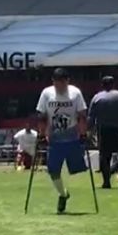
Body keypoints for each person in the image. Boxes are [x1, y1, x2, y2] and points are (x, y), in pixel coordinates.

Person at [36, 68, 89, 214]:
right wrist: (41, 134)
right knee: (53, 170)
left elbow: (82, 114)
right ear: (53, 82)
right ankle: (63, 194)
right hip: (55, 137)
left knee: (78, 169)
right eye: (56, 83)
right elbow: (41, 114)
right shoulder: (47, 93)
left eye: (62, 83)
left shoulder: (75, 93)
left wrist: (83, 133)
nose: (59, 86)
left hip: (72, 135)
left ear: (67, 81)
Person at [88, 75, 118, 189]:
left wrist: (90, 131)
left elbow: (91, 116)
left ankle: (106, 182)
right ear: (113, 84)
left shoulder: (96, 98)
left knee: (105, 156)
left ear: (102, 85)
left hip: (103, 130)